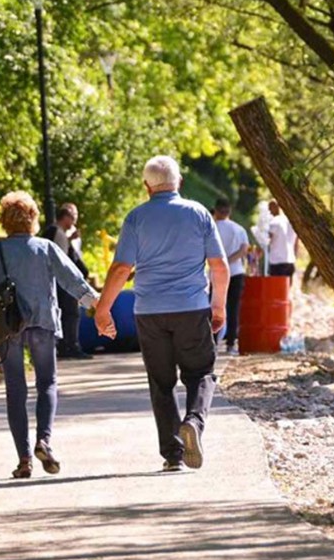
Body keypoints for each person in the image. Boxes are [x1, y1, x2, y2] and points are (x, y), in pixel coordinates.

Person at [96, 156, 229, 471]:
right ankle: (194, 423)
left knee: (161, 381)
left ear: (146, 186)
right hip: (191, 308)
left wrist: (103, 309)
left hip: (150, 312)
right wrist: (219, 306)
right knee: (201, 373)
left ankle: (173, 455)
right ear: (179, 182)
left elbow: (121, 268)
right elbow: (220, 266)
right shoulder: (199, 214)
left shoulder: (136, 218)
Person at [0, 191, 98, 479]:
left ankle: (24, 459)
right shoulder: (45, 247)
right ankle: (44, 440)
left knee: (15, 390)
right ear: (33, 219)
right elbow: (72, 280)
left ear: (4, 221)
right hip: (42, 323)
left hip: (6, 328)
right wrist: (98, 306)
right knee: (47, 383)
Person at [43, 202, 91, 360]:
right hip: (63, 282)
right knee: (71, 314)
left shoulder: (57, 233)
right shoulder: (59, 233)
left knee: (65, 314)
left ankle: (65, 346)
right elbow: (61, 260)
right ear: (66, 217)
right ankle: (71, 346)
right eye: (74, 217)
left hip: (57, 281)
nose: (75, 221)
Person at [212, 199, 249, 356]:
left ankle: (213, 342)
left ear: (216, 211)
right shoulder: (238, 229)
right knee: (233, 309)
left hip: (216, 273)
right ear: (229, 211)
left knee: (214, 307)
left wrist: (220, 262)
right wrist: (229, 260)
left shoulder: (211, 228)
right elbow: (244, 249)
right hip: (236, 272)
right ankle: (231, 344)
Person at [264, 200, 299, 284]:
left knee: (276, 290)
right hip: (290, 260)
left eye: (270, 209)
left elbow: (268, 239)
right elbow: (297, 241)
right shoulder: (291, 222)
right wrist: (295, 256)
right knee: (286, 290)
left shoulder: (274, 222)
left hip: (277, 261)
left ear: (275, 208)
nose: (269, 212)